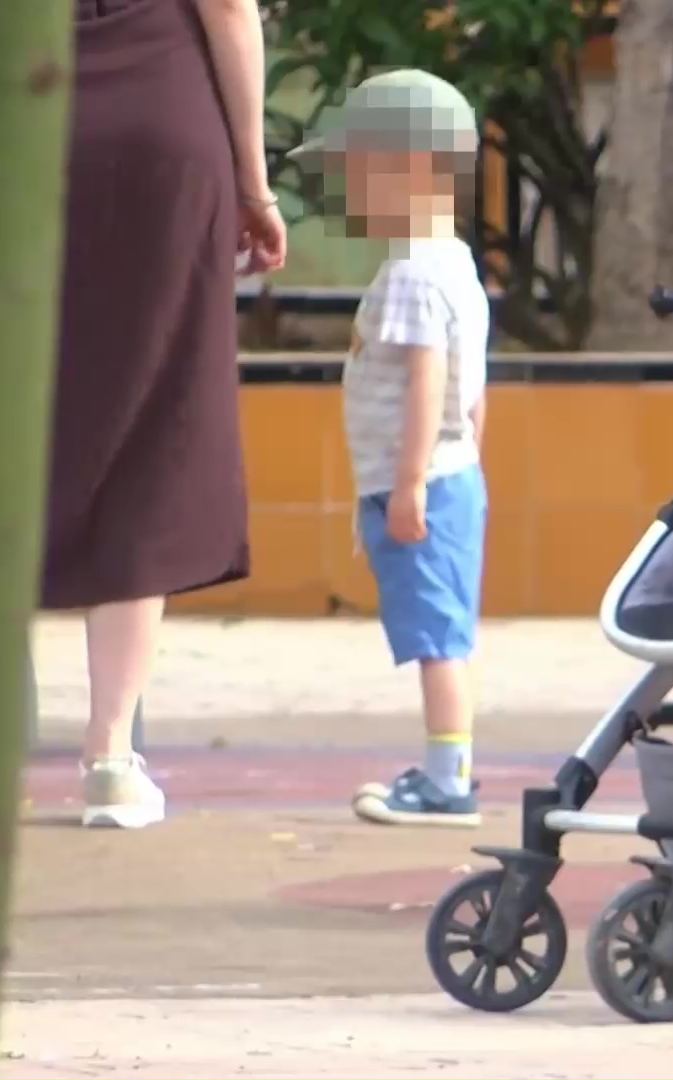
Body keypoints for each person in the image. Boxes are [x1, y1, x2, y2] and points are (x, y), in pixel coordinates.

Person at [53, 0, 286, 828]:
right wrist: (255, 183)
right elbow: (226, 6)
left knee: (16, 423)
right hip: (160, 124)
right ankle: (109, 756)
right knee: (150, 423)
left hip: (21, 124)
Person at [289, 70, 491, 827]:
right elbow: (472, 389)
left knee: (438, 638)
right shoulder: (457, 265)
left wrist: (406, 485)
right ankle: (449, 767)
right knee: (448, 633)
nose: (348, 193)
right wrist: (461, 457)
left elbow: (424, 382)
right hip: (453, 475)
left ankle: (447, 784)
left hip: (423, 482)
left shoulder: (409, 276)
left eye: (356, 174)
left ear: (408, 169)